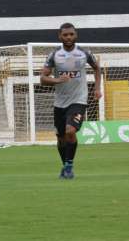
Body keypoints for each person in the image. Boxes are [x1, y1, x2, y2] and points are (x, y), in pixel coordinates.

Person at [39, 22, 101, 179]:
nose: (68, 37)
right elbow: (43, 79)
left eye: (71, 34)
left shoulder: (84, 53)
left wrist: (97, 88)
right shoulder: (54, 55)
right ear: (60, 36)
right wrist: (58, 80)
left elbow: (96, 68)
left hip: (79, 99)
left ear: (76, 35)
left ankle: (69, 166)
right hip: (60, 102)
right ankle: (66, 166)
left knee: (70, 131)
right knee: (60, 138)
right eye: (65, 35)